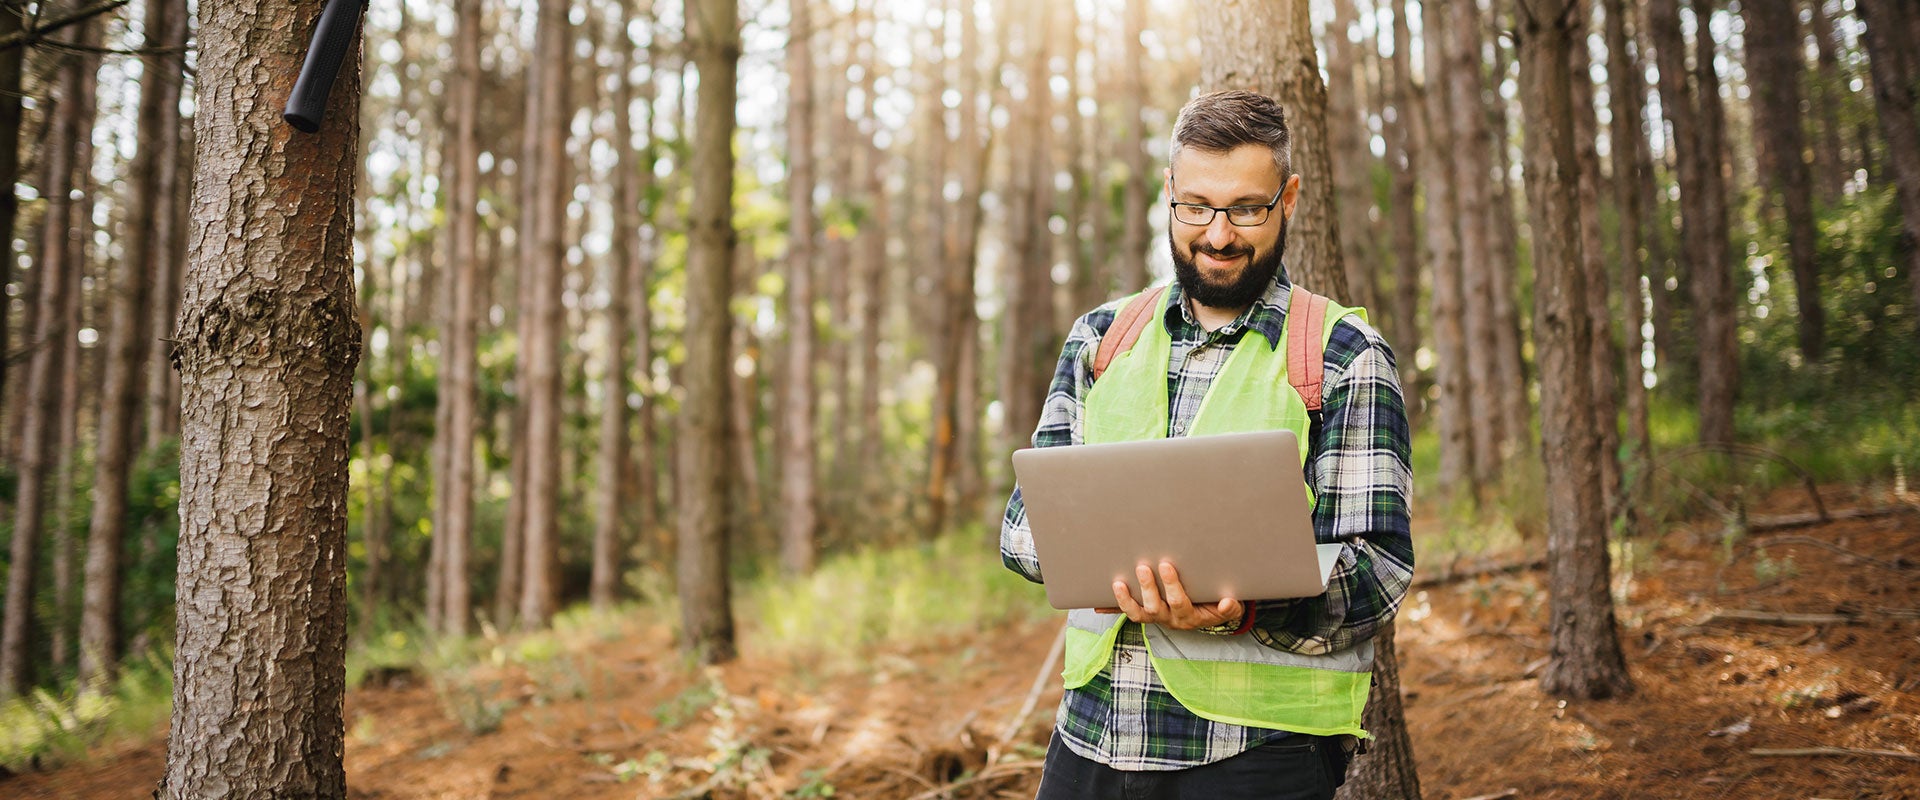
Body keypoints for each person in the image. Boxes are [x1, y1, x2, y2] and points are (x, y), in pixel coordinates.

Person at [999, 90, 1414, 799]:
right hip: (1090, 737)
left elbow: (1377, 572)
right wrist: (1105, 561)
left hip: (1258, 758)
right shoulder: (1101, 339)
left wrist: (1247, 607)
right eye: (1195, 206)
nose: (1218, 235)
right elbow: (1020, 531)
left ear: (1288, 199)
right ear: (1168, 196)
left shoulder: (1344, 354)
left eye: (1246, 209)